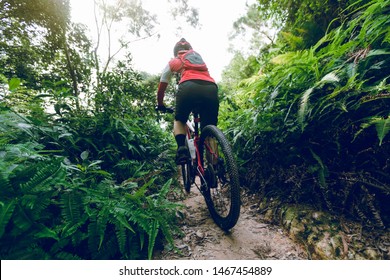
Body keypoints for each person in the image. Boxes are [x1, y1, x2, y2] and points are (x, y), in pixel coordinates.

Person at [156, 38, 219, 164]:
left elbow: (162, 86)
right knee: (209, 131)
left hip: (188, 87)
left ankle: (182, 150)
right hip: (211, 88)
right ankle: (215, 165)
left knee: (179, 120)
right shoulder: (199, 59)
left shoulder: (175, 61)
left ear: (176, 52)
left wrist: (161, 104)